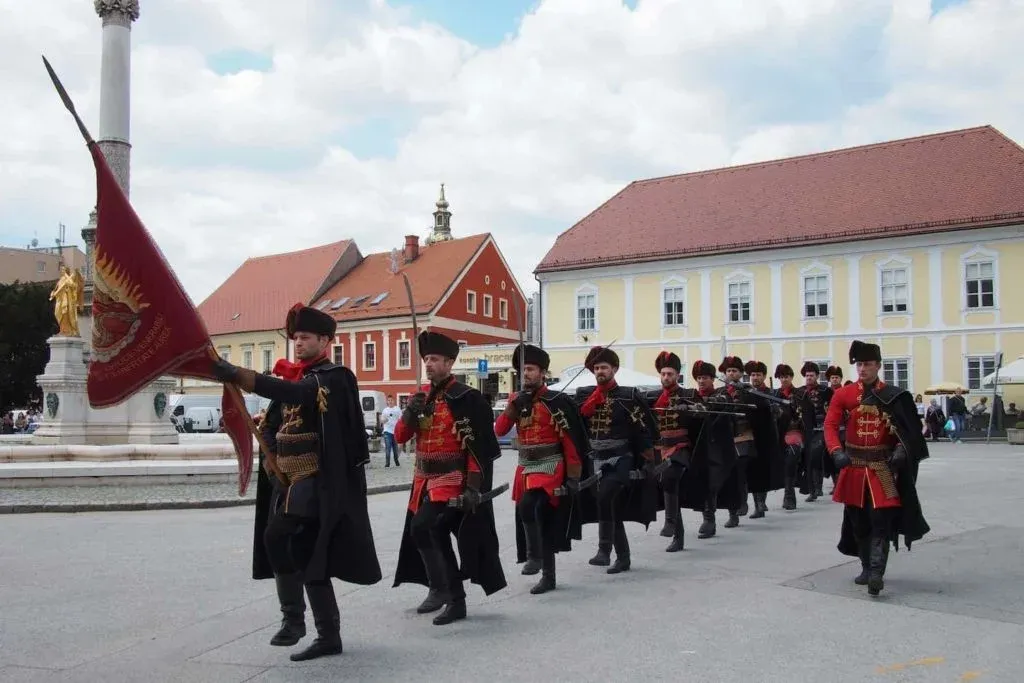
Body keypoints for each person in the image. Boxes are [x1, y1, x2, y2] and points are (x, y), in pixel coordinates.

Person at [212, 303, 382, 661]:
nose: (298, 343)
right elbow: (272, 424)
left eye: (305, 337)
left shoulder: (335, 378)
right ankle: (326, 635)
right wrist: (272, 458)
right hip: (286, 481)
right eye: (295, 338)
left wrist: (242, 375)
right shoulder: (296, 379)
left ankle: (294, 620)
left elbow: (300, 395)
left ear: (325, 340)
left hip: (317, 482)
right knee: (306, 557)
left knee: (280, 539)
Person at [392, 331, 506, 625]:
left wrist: (472, 487)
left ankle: (453, 597)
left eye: (435, 360)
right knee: (423, 532)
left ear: (450, 363)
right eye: (426, 359)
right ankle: (442, 589)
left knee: (427, 526)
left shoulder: (468, 399)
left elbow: (478, 448)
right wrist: (409, 412)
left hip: (453, 479)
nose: (428, 364)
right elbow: (401, 437)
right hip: (424, 481)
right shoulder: (421, 400)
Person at [825, 340, 930, 597]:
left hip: (882, 467)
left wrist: (902, 451)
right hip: (853, 467)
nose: (862, 369)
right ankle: (864, 564)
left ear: (878, 366)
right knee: (858, 521)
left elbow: (911, 433)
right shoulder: (844, 394)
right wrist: (836, 451)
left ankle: (876, 573)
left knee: (880, 521)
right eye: (859, 364)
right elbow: (829, 426)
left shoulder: (895, 396)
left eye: (868, 364)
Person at [496, 343, 589, 594]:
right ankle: (547, 574)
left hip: (551, 464)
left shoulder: (556, 400)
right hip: (526, 465)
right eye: (523, 370)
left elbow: (570, 441)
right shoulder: (517, 400)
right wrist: (514, 407)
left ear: (543, 372)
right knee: (536, 516)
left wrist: (572, 476)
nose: (525, 374)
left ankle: (535, 557)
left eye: (531, 369)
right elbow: (499, 431)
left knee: (531, 507)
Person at [576, 345, 659, 573]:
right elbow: (577, 424)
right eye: (596, 368)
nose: (600, 371)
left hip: (621, 458)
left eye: (604, 367)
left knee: (605, 498)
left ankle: (604, 550)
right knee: (611, 508)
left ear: (615, 369)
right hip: (595, 460)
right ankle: (623, 557)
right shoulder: (585, 396)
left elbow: (644, 429)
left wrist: (649, 459)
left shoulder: (628, 396)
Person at [793, 362, 832, 502]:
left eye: (812, 375)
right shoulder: (799, 391)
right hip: (806, 429)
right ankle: (812, 490)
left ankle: (818, 487)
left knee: (816, 455)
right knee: (808, 459)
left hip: (822, 428)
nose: (809, 377)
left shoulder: (825, 391)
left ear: (817, 376)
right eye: (807, 375)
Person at [773, 364, 803, 510]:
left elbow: (804, 417)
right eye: (781, 377)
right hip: (779, 432)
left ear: (791, 377)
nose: (784, 379)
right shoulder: (774, 394)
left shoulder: (800, 394)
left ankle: (789, 494)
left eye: (786, 376)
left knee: (791, 458)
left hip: (794, 431)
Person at [380, 395, 403, 467]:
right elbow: (381, 421)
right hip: (387, 431)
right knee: (388, 447)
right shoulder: (385, 410)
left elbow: (401, 419)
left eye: (391, 400)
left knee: (395, 448)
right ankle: (387, 463)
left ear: (394, 401)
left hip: (395, 431)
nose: (390, 402)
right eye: (389, 400)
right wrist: (384, 420)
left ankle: (396, 460)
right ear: (387, 401)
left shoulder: (397, 409)